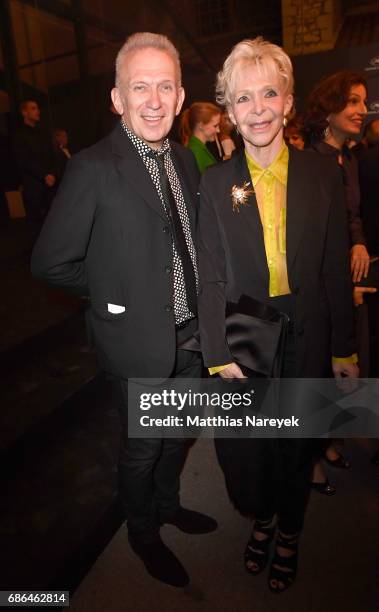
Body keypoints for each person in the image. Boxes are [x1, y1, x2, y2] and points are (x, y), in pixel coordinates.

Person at [31, 32, 217, 588]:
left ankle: (167, 505)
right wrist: (115, 293)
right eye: (140, 87)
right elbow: (49, 263)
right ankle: (142, 533)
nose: (154, 100)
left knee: (178, 431)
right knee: (142, 447)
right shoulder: (93, 167)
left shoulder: (185, 160)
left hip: (189, 335)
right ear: (118, 98)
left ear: (182, 97)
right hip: (135, 339)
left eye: (165, 86)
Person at [197, 37, 358, 593]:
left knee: (297, 445)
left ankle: (287, 531)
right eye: (244, 98)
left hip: (308, 333)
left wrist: (343, 348)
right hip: (246, 335)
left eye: (270, 93)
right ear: (230, 111)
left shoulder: (321, 174)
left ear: (288, 102)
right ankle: (261, 519)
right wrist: (216, 352)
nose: (258, 108)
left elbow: (336, 267)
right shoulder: (217, 184)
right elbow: (211, 275)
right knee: (249, 453)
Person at [13, 99, 56, 222]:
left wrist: (52, 174)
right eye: (33, 108)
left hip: (50, 185)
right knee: (37, 226)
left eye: (37, 108)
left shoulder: (43, 133)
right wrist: (44, 176)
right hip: (34, 187)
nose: (38, 111)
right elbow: (24, 160)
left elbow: (51, 156)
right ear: (24, 113)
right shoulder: (18, 135)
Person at [179, 101, 221, 173]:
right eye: (215, 126)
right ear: (201, 125)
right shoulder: (195, 151)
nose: (218, 130)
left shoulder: (199, 147)